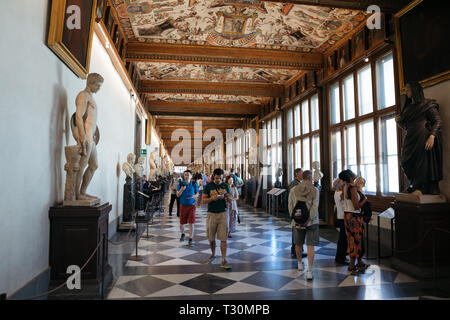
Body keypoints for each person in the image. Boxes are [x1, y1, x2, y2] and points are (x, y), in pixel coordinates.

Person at [396, 81, 443, 195]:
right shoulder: (408, 108)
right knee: (405, 161)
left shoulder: (426, 104)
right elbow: (405, 125)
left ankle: (421, 188)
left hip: (422, 137)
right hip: (410, 137)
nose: (406, 91)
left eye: (408, 89)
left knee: (422, 161)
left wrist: (432, 136)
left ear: (415, 90)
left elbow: (437, 121)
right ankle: (415, 185)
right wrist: (399, 122)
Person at [73, 73, 104, 201]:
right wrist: (82, 136)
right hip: (86, 133)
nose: (98, 88)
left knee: (94, 165)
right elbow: (78, 116)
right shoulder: (83, 95)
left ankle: (82, 191)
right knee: (82, 164)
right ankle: (76, 194)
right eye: (97, 85)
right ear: (90, 83)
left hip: (91, 134)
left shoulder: (90, 96)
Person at [288, 170, 320, 280]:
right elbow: (315, 207)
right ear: (310, 178)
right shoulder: (315, 190)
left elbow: (291, 206)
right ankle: (309, 270)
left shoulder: (293, 190)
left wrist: (297, 219)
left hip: (297, 222)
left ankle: (299, 263)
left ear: (302, 177)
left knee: (298, 243)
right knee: (310, 245)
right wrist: (308, 219)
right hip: (312, 222)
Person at [339, 170, 370, 275]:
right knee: (355, 240)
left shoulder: (345, 186)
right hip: (354, 217)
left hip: (348, 215)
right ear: (351, 177)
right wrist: (365, 199)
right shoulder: (352, 188)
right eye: (353, 173)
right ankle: (351, 265)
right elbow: (356, 206)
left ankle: (359, 262)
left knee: (354, 239)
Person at [203, 168, 232, 270]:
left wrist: (227, 197)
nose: (218, 180)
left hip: (222, 214)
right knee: (211, 238)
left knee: (223, 238)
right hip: (211, 214)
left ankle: (224, 259)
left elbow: (230, 200)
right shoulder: (208, 186)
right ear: (213, 176)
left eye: (220, 178)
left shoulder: (226, 186)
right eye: (216, 178)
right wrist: (212, 198)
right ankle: (213, 254)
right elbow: (203, 200)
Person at [287, 168, 307, 259]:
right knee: (297, 233)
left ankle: (297, 250)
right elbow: (293, 201)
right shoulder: (295, 185)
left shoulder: (296, 183)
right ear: (296, 174)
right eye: (301, 173)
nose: (303, 175)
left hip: (296, 212)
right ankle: (296, 251)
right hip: (297, 212)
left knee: (297, 232)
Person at [177, 170, 198, 247]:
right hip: (183, 206)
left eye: (188, 175)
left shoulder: (194, 184)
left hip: (192, 206)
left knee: (191, 222)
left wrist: (193, 196)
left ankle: (190, 239)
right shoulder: (181, 184)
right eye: (185, 175)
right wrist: (182, 189)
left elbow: (197, 194)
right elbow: (178, 195)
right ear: (183, 176)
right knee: (182, 223)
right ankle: (183, 234)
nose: (187, 176)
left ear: (191, 176)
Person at [333, 178, 348, 265]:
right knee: (343, 239)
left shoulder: (336, 193)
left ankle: (340, 256)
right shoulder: (341, 194)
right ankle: (341, 257)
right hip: (343, 217)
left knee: (342, 238)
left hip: (340, 216)